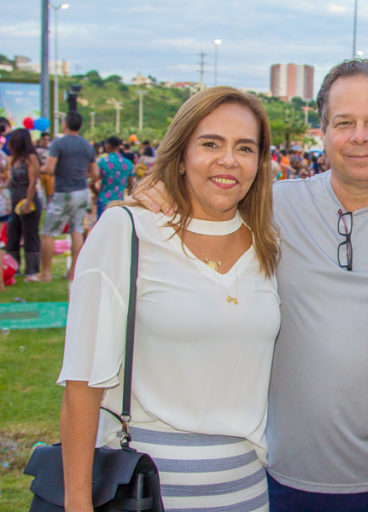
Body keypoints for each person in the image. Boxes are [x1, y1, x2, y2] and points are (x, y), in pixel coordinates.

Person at [135, 59, 368, 512]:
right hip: (283, 478)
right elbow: (201, 209)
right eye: (344, 123)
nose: (360, 136)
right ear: (322, 132)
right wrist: (159, 194)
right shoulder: (270, 207)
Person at [58, 86, 279, 511]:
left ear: (258, 162)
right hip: (143, 490)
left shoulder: (267, 246)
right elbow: (82, 384)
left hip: (246, 491)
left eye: (245, 148)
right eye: (210, 143)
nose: (228, 160)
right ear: (180, 154)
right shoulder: (127, 230)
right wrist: (78, 504)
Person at [35, 111, 98, 282]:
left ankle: (45, 273)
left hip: (63, 191)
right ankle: (73, 272)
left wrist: (36, 169)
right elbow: (95, 172)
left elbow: (48, 169)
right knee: (77, 230)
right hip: (81, 191)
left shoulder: (58, 143)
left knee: (48, 232)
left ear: (65, 124)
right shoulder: (87, 145)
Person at [3, 129, 42, 279]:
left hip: (28, 201)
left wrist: (28, 201)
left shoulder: (31, 158)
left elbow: (33, 182)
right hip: (14, 201)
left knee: (30, 236)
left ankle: (32, 270)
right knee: (12, 235)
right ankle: (14, 268)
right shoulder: (14, 159)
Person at [95, 136, 135, 218]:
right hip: (119, 201)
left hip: (104, 199)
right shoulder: (128, 163)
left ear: (108, 145)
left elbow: (94, 179)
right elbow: (131, 185)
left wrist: (96, 192)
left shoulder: (102, 162)